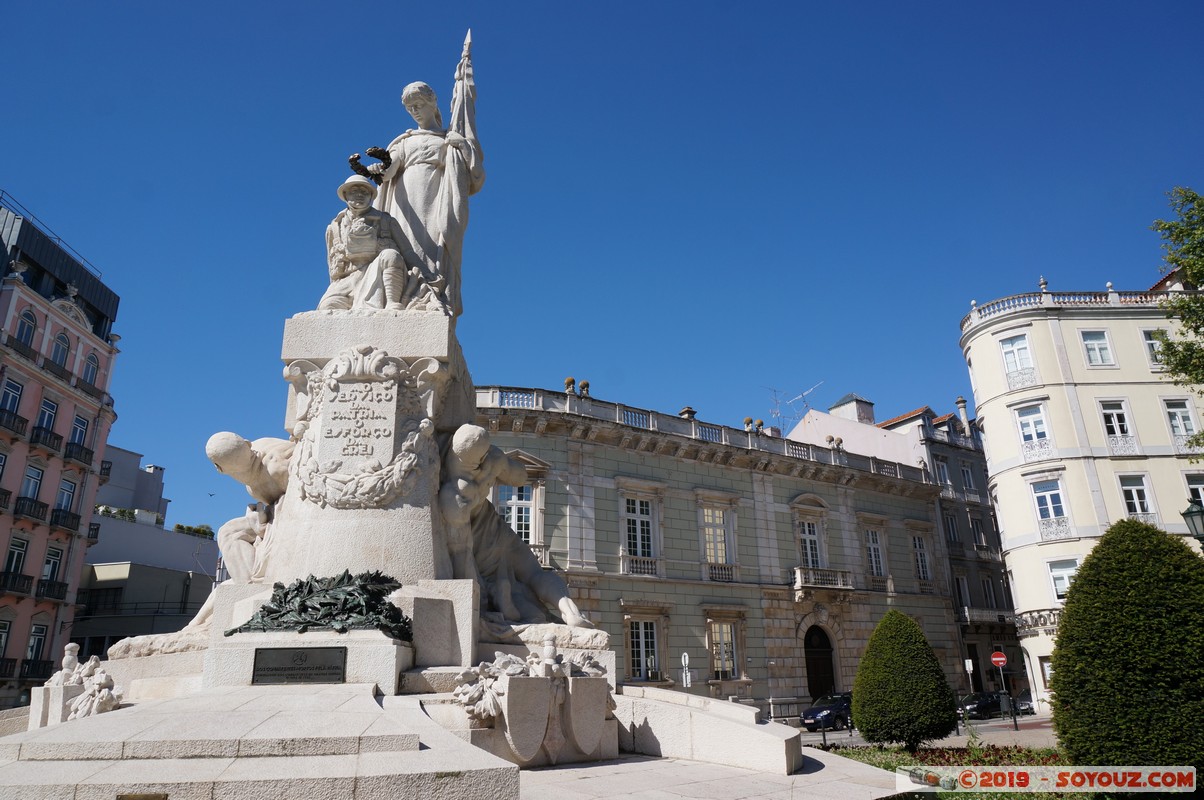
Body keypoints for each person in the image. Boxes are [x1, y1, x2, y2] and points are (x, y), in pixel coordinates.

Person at [440, 424, 592, 628]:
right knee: (535, 574)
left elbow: (461, 553)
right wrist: (498, 464)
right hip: (495, 530)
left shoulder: (454, 490)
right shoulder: (490, 460)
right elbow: (520, 477)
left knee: (507, 587)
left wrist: (478, 603)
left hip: (477, 539)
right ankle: (570, 612)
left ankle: (504, 601)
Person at [369, 78, 484, 317]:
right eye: (410, 108)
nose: (414, 111)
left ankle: (430, 294)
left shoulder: (448, 139)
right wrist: (379, 170)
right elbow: (390, 170)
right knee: (403, 244)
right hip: (405, 199)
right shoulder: (405, 141)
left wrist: (462, 145)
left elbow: (474, 178)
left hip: (436, 199)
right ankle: (400, 294)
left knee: (433, 248)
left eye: (418, 105)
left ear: (432, 103)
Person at [319, 176, 442, 312]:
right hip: (349, 279)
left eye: (365, 192)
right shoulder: (334, 227)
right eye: (354, 191)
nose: (360, 195)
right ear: (345, 195)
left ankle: (393, 303)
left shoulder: (386, 220)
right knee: (327, 307)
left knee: (391, 255)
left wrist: (426, 274)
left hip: (378, 273)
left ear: (371, 196)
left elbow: (407, 251)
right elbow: (333, 266)